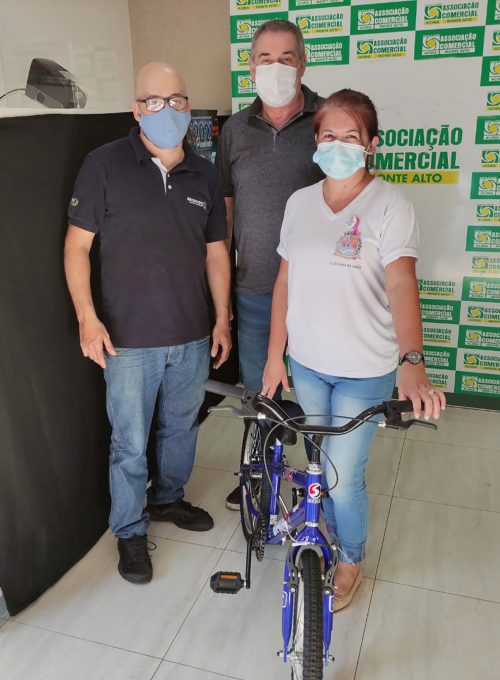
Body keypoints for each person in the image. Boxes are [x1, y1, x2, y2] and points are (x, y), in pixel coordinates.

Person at [261, 89, 446, 611]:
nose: (338, 145)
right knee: (319, 464)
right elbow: (284, 283)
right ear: (315, 141)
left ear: (371, 144)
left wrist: (412, 362)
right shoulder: (299, 203)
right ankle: (323, 534)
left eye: (350, 136)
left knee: (343, 479)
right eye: (328, 135)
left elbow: (401, 285)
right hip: (309, 365)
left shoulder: (390, 206)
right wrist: (276, 356)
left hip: (364, 370)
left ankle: (351, 557)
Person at [64, 62, 231, 584]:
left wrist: (222, 319)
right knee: (130, 442)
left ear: (188, 107)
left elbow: (216, 253)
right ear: (137, 110)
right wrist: (87, 318)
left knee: (181, 427)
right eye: (153, 101)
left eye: (176, 100)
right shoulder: (104, 164)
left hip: (192, 333)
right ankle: (130, 530)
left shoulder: (205, 173)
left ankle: (167, 499)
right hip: (128, 340)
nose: (166, 109)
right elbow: (76, 247)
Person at [216, 19, 324, 510]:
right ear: (251, 66)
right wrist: (224, 284)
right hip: (255, 286)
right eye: (265, 58)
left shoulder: (329, 119)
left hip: (320, 290)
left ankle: (321, 481)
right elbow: (226, 211)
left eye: (286, 58)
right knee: (260, 391)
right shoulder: (235, 129)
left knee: (319, 394)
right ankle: (258, 475)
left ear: (302, 63)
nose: (275, 67)